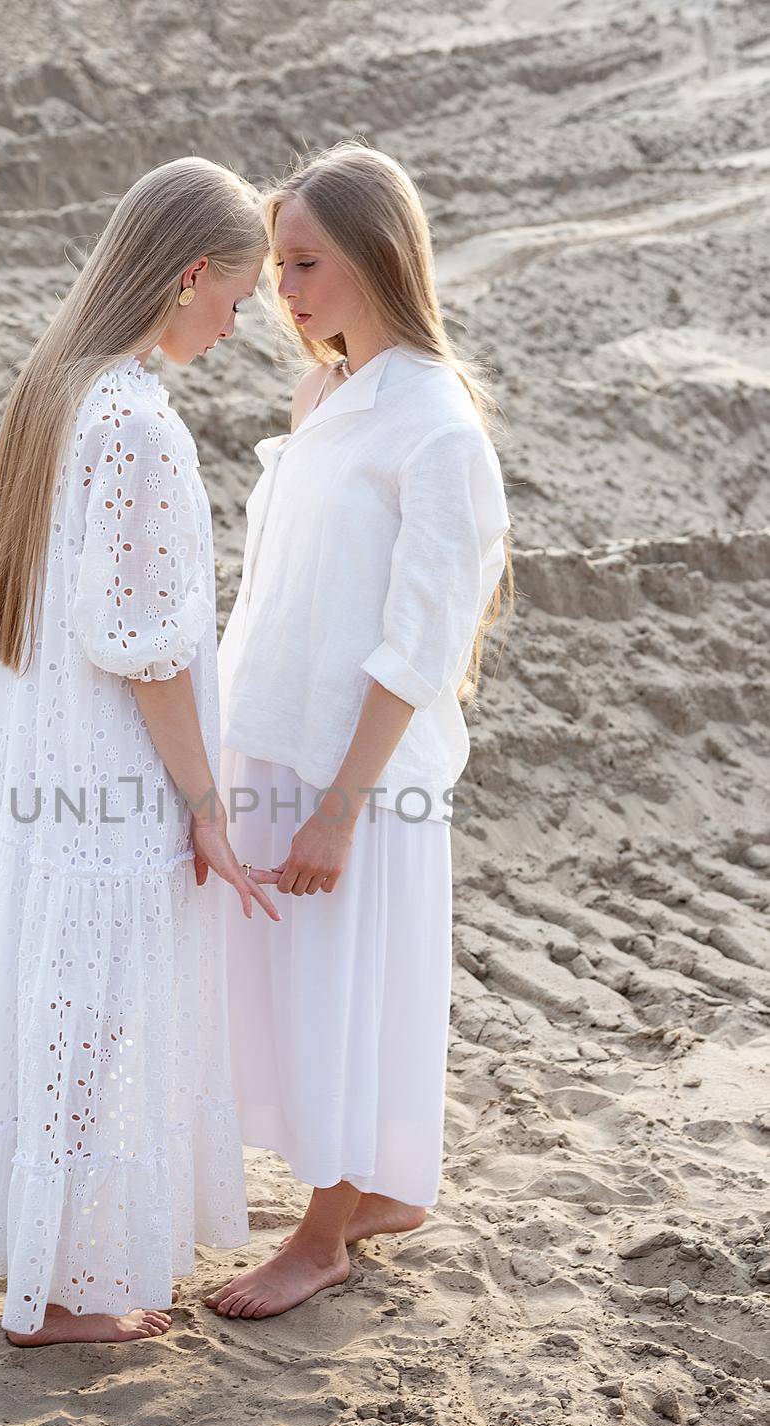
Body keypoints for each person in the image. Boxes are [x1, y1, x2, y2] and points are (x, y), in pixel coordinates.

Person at [0, 157, 279, 1347]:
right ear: (190, 275)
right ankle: (55, 1298)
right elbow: (146, 648)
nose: (239, 318)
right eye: (238, 294)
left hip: (37, 763)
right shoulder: (139, 425)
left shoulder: (60, 390)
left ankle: (39, 1268)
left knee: (49, 1005)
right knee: (92, 1018)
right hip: (105, 778)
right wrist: (203, 803)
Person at [205, 142, 514, 1319]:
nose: (282, 291)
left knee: (339, 985)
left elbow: (420, 641)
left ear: (377, 256)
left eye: (301, 263)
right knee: (288, 985)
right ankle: (379, 1184)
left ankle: (323, 1235)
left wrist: (340, 802)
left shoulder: (435, 428)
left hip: (359, 766)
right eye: (276, 266)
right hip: (271, 733)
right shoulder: (324, 393)